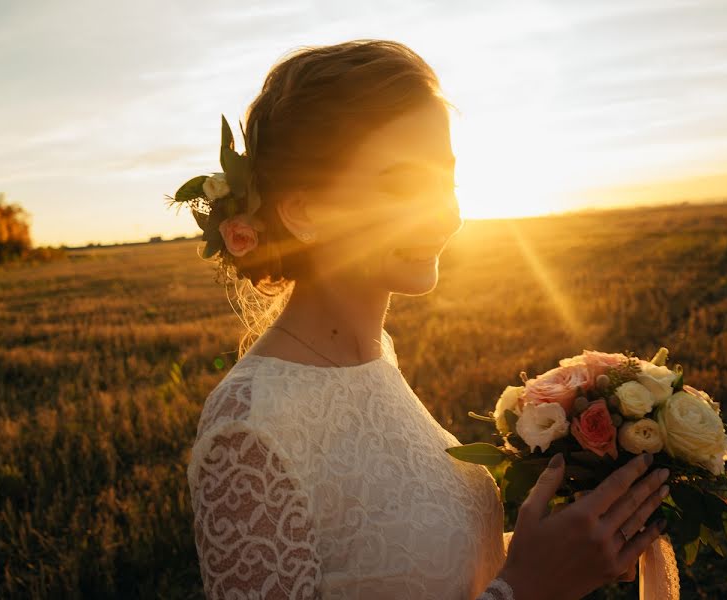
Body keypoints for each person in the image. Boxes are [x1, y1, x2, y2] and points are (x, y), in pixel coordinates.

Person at [183, 39, 670, 599]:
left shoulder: (373, 357)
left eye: (447, 179)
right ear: (305, 210)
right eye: (403, 184)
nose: (445, 213)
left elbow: (405, 566)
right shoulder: (247, 432)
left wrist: (574, 545)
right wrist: (528, 589)